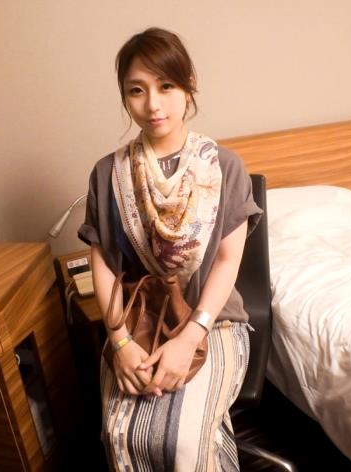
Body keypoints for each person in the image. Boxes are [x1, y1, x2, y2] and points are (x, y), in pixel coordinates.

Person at [78, 27, 262, 471]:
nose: (153, 105)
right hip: (136, 325)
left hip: (212, 323)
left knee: (182, 441)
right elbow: (103, 262)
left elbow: (227, 260)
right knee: (122, 436)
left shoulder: (224, 167)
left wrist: (190, 338)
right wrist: (119, 341)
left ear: (188, 85)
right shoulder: (107, 174)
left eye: (165, 86)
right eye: (136, 90)